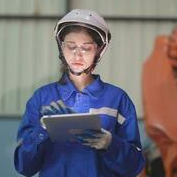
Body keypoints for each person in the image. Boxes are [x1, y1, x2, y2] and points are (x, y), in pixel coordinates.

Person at [14, 9, 145, 177]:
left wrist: (111, 144)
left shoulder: (117, 100)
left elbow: (134, 167)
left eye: (86, 48)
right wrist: (42, 131)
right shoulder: (42, 99)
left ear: (99, 50)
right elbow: (24, 167)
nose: (77, 54)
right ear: (61, 47)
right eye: (71, 46)